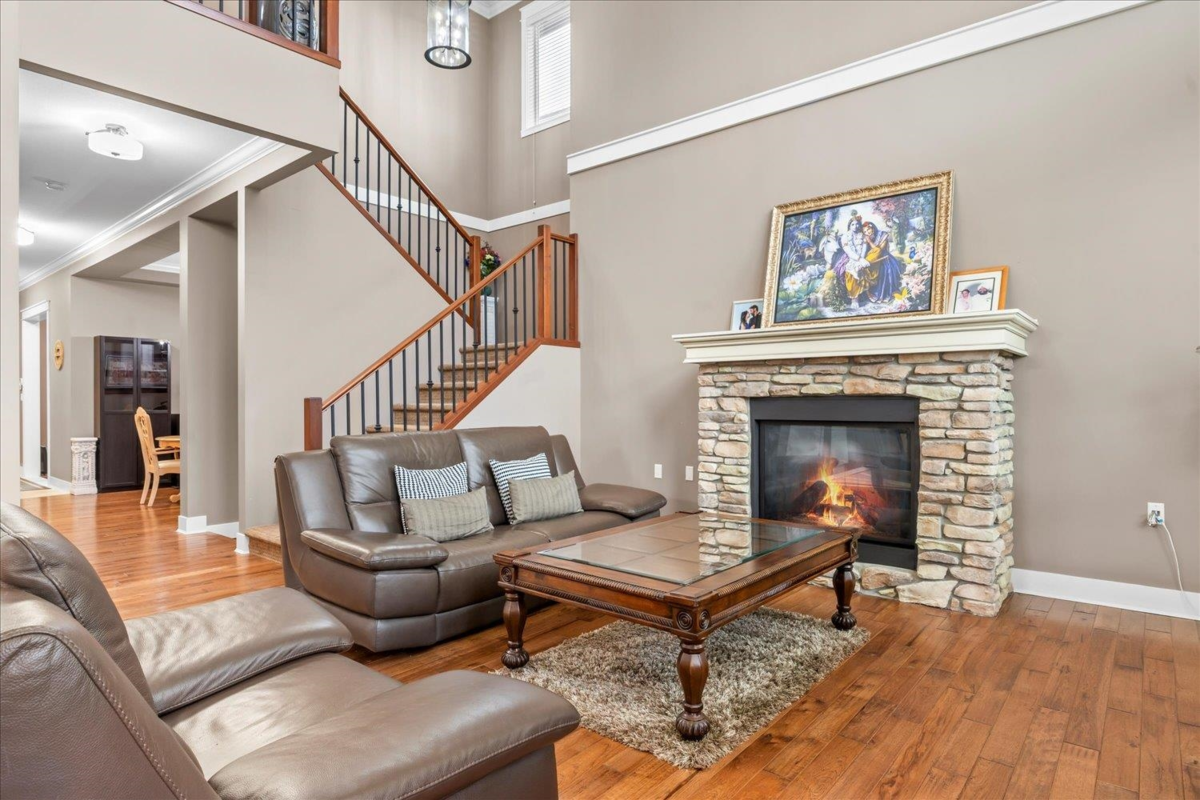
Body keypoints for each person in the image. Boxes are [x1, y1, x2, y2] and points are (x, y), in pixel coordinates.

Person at [862, 221, 904, 303]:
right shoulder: (868, 237)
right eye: (865, 232)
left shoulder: (883, 234)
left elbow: (879, 250)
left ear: (872, 228)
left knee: (883, 271)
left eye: (868, 230)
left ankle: (886, 294)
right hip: (874, 259)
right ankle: (872, 293)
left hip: (885, 258)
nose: (867, 232)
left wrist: (869, 242)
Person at [834, 215, 872, 306]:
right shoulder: (845, 237)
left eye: (857, 224)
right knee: (851, 273)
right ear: (849, 226)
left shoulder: (863, 236)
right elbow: (848, 251)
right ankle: (854, 299)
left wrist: (862, 259)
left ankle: (865, 295)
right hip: (849, 258)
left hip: (861, 258)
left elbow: (864, 248)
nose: (855, 226)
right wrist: (858, 259)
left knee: (864, 269)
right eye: (853, 224)